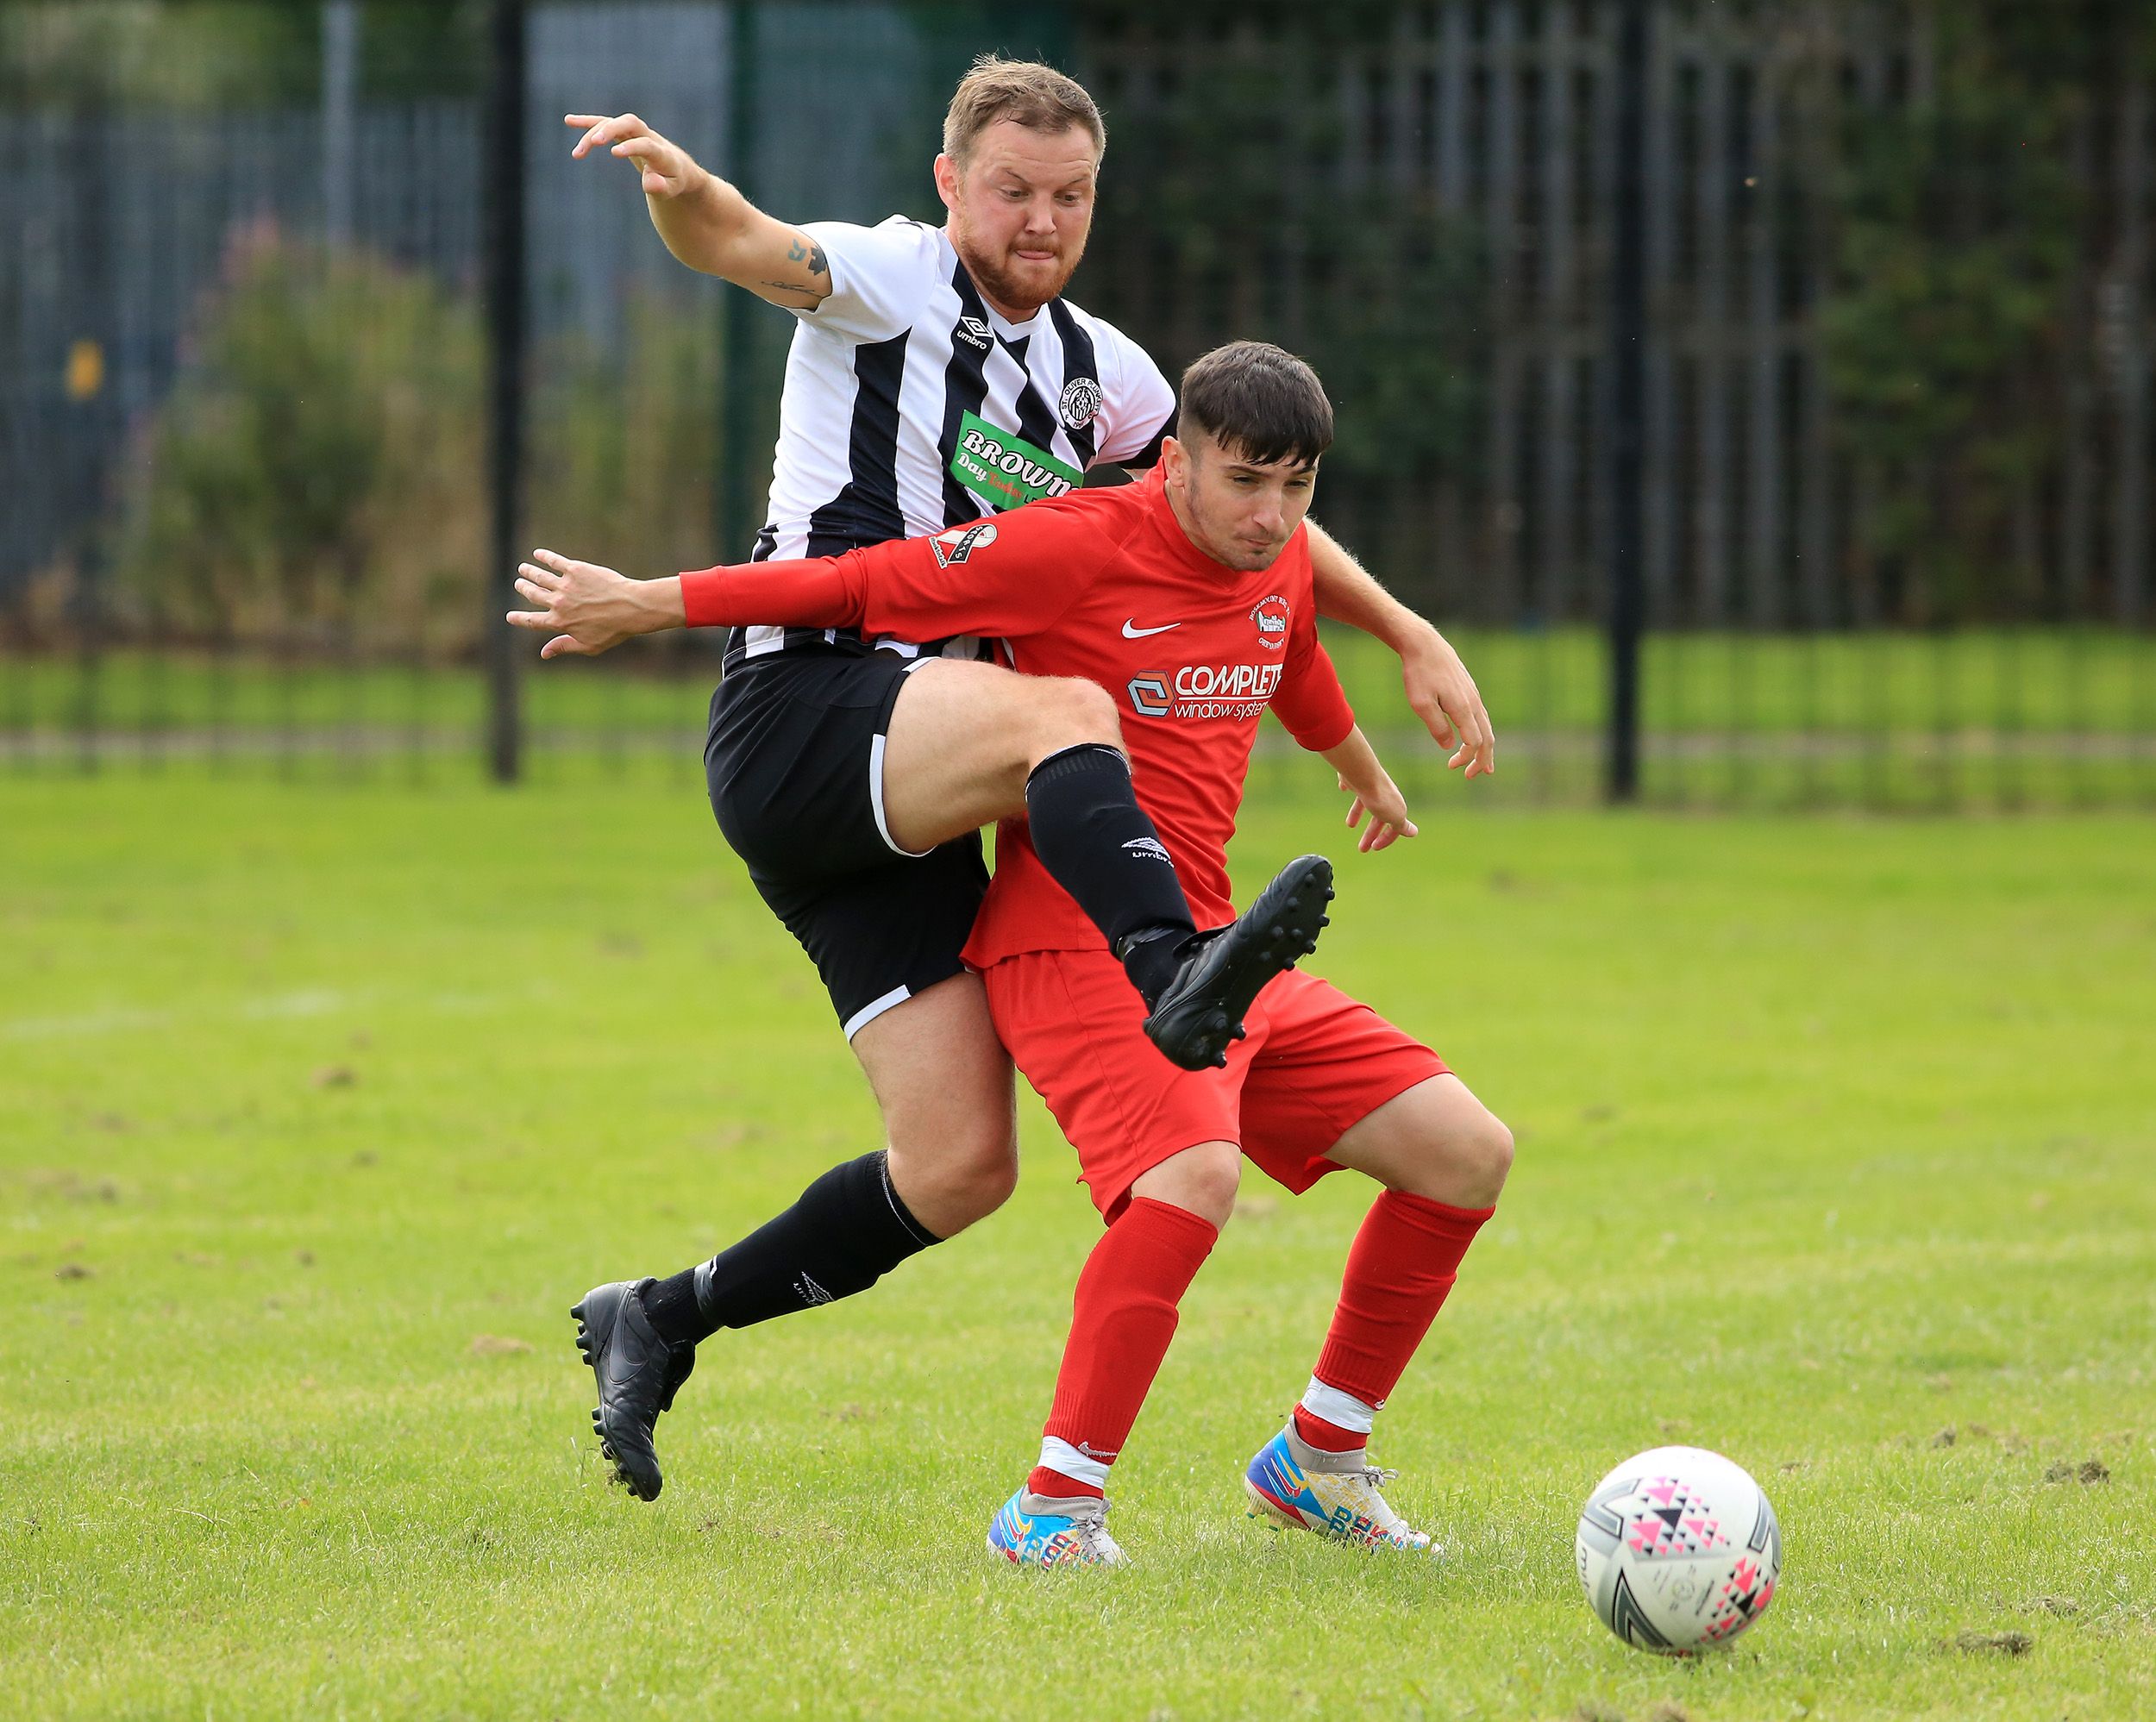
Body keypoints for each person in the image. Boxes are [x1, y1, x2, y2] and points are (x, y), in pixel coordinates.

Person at [548, 57, 1495, 1501]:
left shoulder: (1106, 374)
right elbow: (744, 240)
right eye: (1012, 190)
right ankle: (1175, 965)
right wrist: (684, 197)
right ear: (950, 186)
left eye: (1069, 196)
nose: (1041, 221)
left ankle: (662, 1316)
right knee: (1064, 711)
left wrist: (1404, 626)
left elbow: (1239, 495)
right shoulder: (890, 278)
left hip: (931, 779)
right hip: (808, 712)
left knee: (957, 1166)